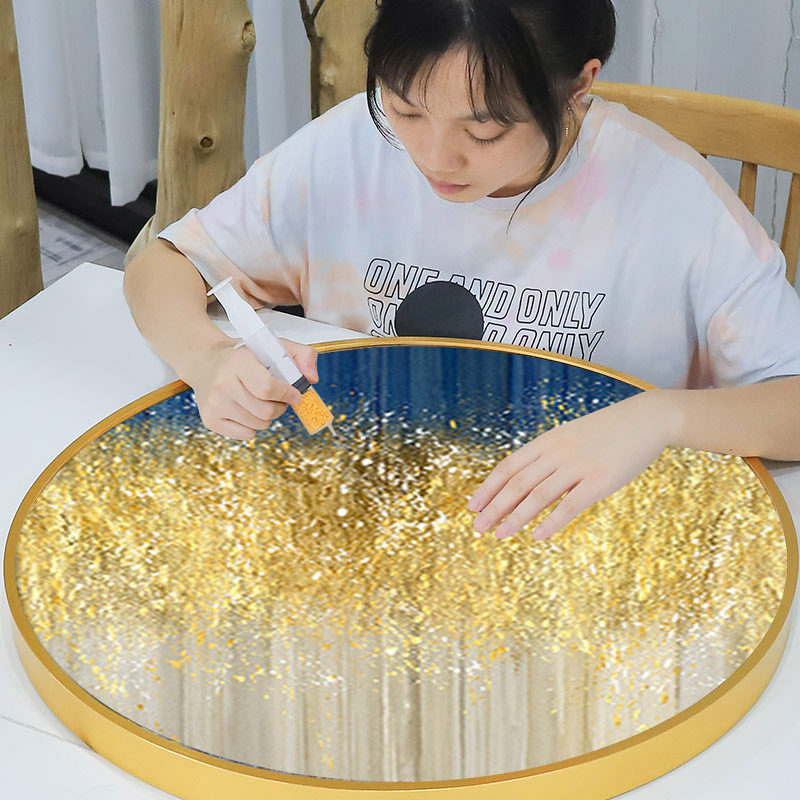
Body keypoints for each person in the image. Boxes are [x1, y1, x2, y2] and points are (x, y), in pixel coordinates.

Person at [123, 0, 800, 543]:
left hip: (582, 541)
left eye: (484, 132)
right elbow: (166, 265)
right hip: (374, 514)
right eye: (406, 108)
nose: (434, 157)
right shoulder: (350, 147)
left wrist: (659, 418)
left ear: (580, 86)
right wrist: (209, 358)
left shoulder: (670, 199)